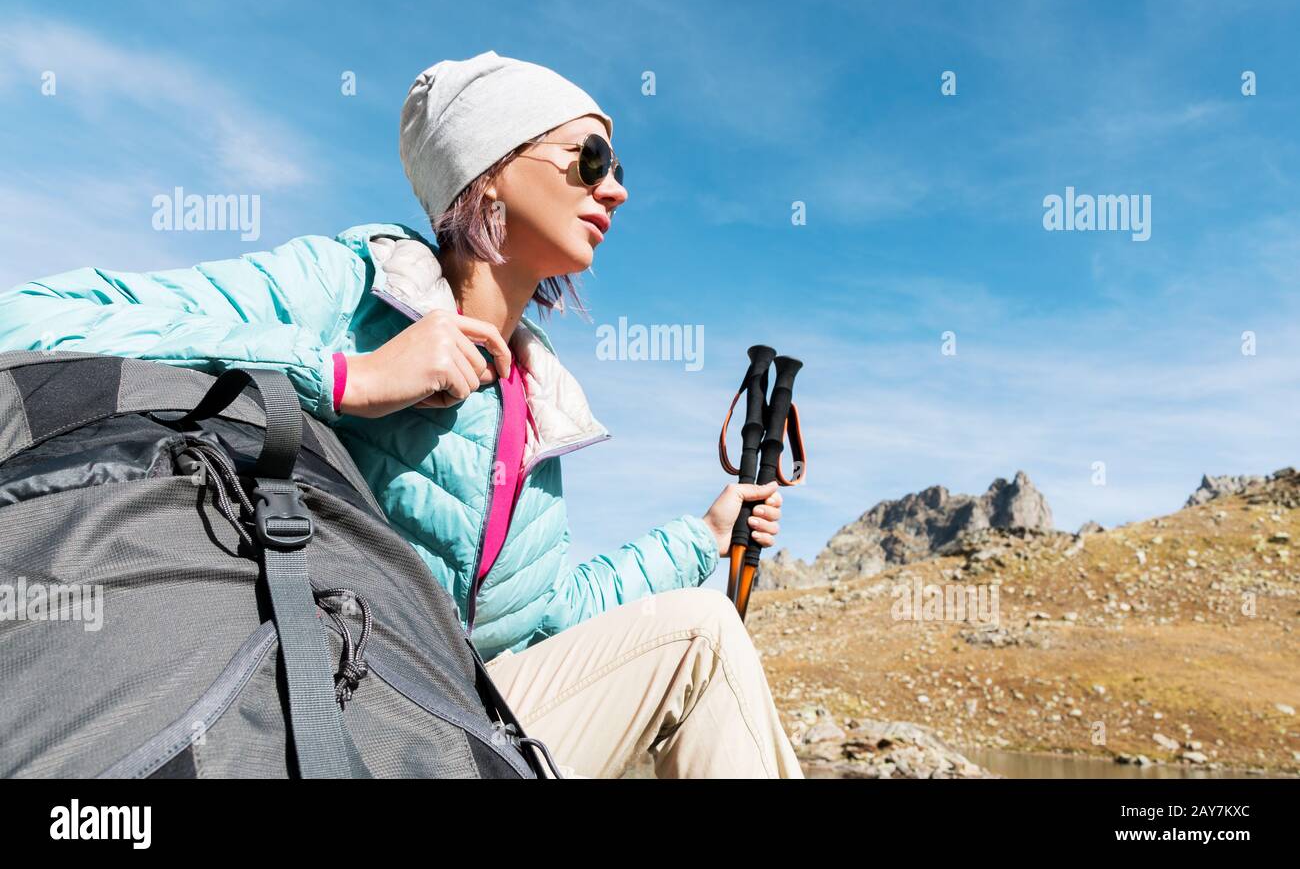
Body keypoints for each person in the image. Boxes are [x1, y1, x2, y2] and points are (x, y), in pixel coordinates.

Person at [0, 50, 804, 778]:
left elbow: (544, 623)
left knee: (693, 645)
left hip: (450, 715)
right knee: (704, 636)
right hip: (319, 699)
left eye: (616, 166)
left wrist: (700, 534)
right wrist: (346, 377)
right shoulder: (347, 285)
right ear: (488, 169)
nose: (616, 187)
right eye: (589, 159)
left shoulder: (534, 397)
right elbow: (33, 316)